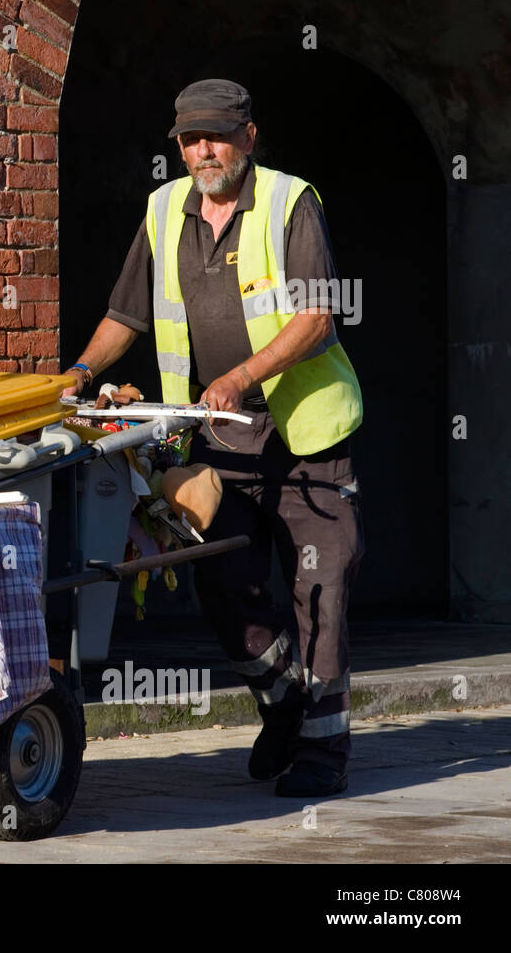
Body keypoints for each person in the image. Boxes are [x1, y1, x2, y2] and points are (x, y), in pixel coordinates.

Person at [63, 79, 365, 797]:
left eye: (218, 136)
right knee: (227, 587)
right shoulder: (164, 210)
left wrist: (239, 375)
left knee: (318, 592)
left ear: (249, 137)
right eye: (190, 139)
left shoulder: (291, 203)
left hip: (307, 436)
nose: (204, 150)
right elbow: (126, 314)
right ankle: (286, 707)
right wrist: (75, 372)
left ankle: (323, 754)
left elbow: (317, 316)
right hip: (217, 440)